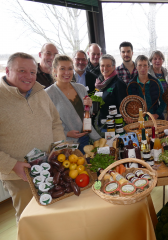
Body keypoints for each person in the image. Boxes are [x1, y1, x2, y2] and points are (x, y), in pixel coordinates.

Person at [0, 52, 65, 222]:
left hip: (50, 166)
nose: (29, 77)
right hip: (20, 175)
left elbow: (56, 123)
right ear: (7, 71)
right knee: (29, 219)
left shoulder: (40, 92)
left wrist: (59, 148)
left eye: (33, 72)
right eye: (22, 71)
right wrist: (12, 165)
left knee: (53, 214)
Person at [46, 55, 101, 153]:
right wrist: (67, 133)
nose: (67, 72)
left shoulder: (81, 88)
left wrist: (90, 106)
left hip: (85, 139)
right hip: (65, 143)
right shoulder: (48, 94)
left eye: (70, 69)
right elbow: (46, 124)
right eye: (62, 69)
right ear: (55, 70)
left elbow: (87, 114)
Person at [128, 55, 166, 120]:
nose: (142, 68)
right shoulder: (131, 84)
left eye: (145, 65)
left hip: (156, 119)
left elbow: (164, 100)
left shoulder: (156, 82)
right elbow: (129, 104)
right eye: (140, 65)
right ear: (136, 67)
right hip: (138, 120)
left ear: (148, 67)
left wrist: (157, 114)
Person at [96, 54, 128, 125]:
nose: (105, 68)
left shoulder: (119, 84)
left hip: (114, 126)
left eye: (108, 66)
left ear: (114, 67)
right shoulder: (98, 83)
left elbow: (123, 109)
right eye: (102, 65)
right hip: (100, 124)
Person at [149, 50, 168, 120]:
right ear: (151, 60)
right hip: (154, 108)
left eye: (160, 59)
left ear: (163, 60)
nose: (157, 61)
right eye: (155, 59)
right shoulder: (148, 75)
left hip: (167, 107)